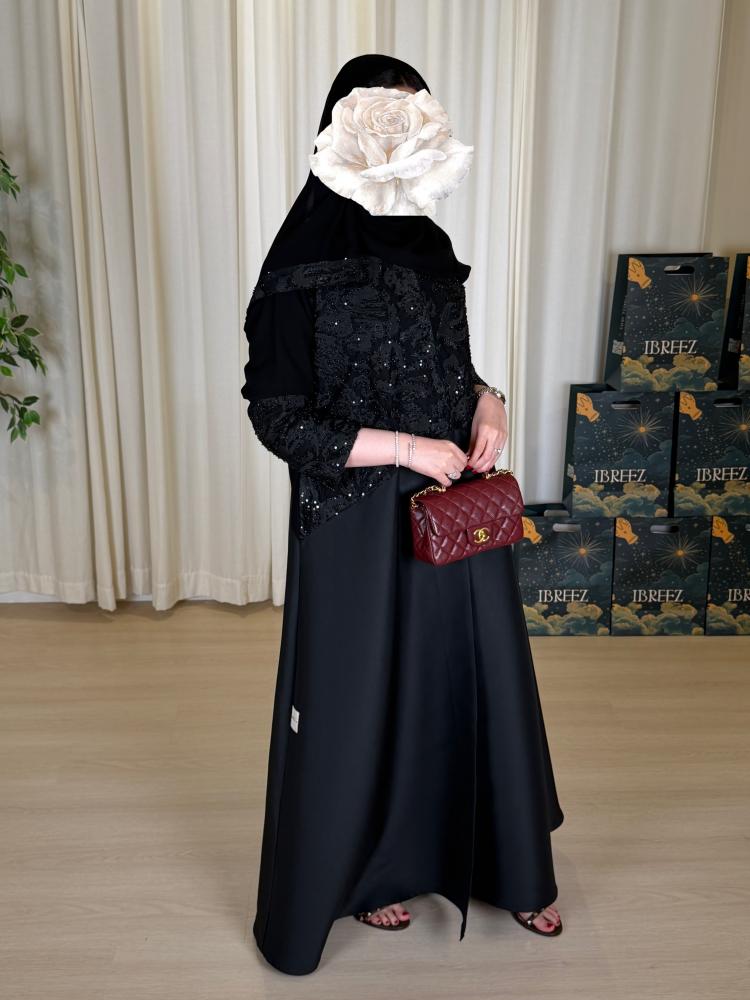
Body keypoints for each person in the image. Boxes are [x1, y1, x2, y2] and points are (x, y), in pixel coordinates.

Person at [241, 53, 564, 977]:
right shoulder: (296, 267)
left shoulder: (426, 248)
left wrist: (489, 402)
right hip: (354, 516)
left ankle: (513, 865)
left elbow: (450, 368)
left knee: (478, 679)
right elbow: (279, 420)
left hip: (452, 510)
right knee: (364, 701)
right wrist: (407, 450)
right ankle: (371, 869)